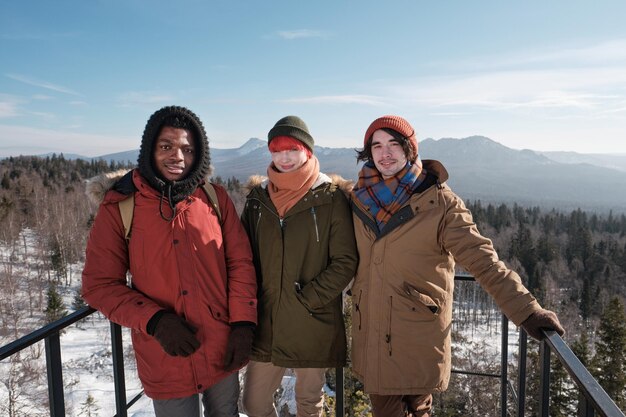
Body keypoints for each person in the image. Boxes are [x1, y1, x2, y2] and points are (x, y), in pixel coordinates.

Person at [349, 115, 565, 417]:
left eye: (394, 144)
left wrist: (526, 310)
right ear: (368, 152)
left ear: (410, 149)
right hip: (373, 330)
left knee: (415, 407)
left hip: (416, 333)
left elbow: (483, 260)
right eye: (377, 145)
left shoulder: (441, 204)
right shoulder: (360, 198)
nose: (385, 154)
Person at [81, 105, 257, 417]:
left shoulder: (214, 199)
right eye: (167, 146)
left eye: (188, 149)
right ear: (150, 149)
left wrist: (243, 323)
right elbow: (99, 285)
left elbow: (240, 262)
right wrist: (155, 321)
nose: (178, 157)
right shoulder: (120, 207)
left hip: (221, 346)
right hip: (165, 353)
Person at [240, 116, 358, 417]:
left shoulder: (331, 198)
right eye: (277, 150)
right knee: (253, 403)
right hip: (268, 321)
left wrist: (308, 299)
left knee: (309, 404)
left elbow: (345, 261)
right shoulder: (257, 199)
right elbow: (242, 258)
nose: (285, 157)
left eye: (292, 148)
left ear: (307, 150)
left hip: (311, 319)